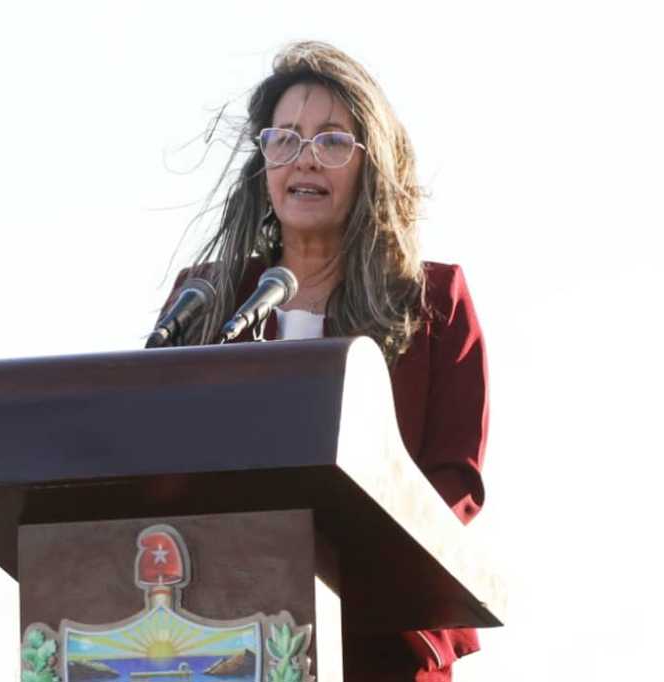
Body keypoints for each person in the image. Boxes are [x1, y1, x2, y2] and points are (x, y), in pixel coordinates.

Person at [159, 41, 489, 681]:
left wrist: (341, 559)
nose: (305, 157)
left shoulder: (433, 303)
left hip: (379, 640)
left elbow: (454, 484)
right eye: (285, 138)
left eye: (332, 141)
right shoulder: (203, 299)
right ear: (263, 162)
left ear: (372, 165)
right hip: (218, 639)